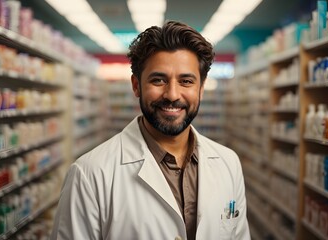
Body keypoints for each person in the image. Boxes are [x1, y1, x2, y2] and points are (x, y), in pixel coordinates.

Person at [50, 20, 250, 240]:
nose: (172, 94)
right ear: (136, 85)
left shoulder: (228, 164)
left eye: (186, 81)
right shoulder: (89, 175)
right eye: (158, 80)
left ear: (201, 88)